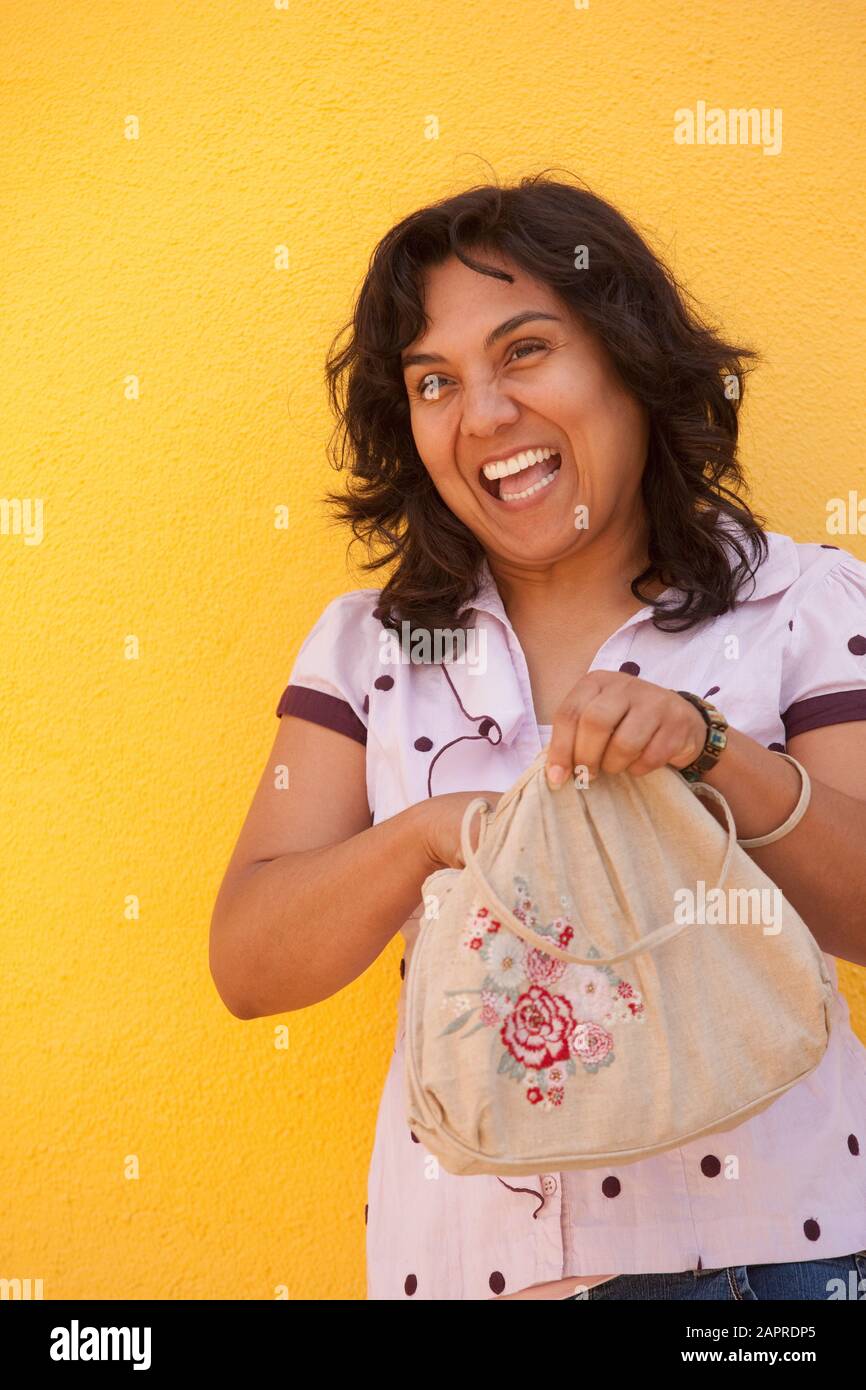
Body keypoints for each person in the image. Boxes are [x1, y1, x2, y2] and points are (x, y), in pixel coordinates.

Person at [209, 174, 866, 1301]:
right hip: (466, 1267)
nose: (483, 415)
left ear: (625, 355)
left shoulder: (803, 602)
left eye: (523, 351)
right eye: (433, 380)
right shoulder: (366, 646)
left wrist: (713, 755)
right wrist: (433, 834)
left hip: (771, 1260)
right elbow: (249, 965)